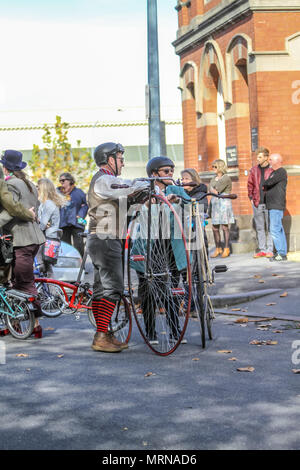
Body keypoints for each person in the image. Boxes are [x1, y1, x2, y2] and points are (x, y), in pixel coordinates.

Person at [87, 142, 149, 353]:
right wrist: (144, 185)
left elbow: (127, 201)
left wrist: (141, 197)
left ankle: (103, 333)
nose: (123, 163)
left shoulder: (107, 182)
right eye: (120, 159)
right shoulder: (105, 179)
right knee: (112, 288)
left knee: (101, 289)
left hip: (102, 239)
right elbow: (126, 188)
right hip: (105, 239)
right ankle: (102, 336)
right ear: (109, 159)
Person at [131, 156, 190, 344]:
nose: (171, 173)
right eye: (166, 171)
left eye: (172, 170)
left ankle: (175, 330)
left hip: (171, 246)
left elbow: (190, 202)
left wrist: (179, 199)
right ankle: (150, 332)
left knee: (172, 288)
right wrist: (156, 202)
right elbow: (135, 211)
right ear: (154, 174)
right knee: (148, 289)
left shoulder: (176, 189)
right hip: (148, 245)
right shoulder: (144, 191)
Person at [0, 150, 45, 337]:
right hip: (34, 238)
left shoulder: (11, 185)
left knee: (23, 284)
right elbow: (36, 207)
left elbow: (12, 210)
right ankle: (17, 323)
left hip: (20, 239)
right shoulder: (30, 184)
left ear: (5, 167)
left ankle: (34, 324)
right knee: (19, 284)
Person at [247, 147, 274, 258]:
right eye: (257, 157)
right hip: (257, 202)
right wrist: (251, 198)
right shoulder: (254, 170)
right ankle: (262, 249)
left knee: (270, 227)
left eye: (260, 157)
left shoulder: (272, 170)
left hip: (270, 203)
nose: (258, 159)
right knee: (259, 227)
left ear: (267, 157)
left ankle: (270, 249)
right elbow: (250, 184)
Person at [37, 178, 66, 276]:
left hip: (47, 238)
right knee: (46, 268)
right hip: (49, 237)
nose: (37, 190)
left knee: (45, 267)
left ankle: (52, 289)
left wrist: (38, 223)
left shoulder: (49, 203)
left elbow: (43, 224)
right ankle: (49, 289)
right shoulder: (46, 203)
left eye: (38, 188)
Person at [263, 153, 288, 262]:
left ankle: (281, 254)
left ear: (277, 161)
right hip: (273, 205)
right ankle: (281, 252)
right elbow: (267, 183)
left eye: (271, 160)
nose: (269, 161)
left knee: (275, 229)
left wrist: (266, 183)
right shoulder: (274, 172)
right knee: (278, 229)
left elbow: (268, 182)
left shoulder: (281, 171)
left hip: (276, 205)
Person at [58, 172, 88, 257]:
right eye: (60, 181)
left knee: (79, 245)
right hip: (63, 223)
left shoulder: (79, 192)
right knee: (65, 246)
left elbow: (86, 204)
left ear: (70, 181)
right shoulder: (58, 192)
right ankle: (68, 265)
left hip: (77, 223)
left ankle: (81, 267)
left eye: (63, 180)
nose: (61, 183)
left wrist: (81, 214)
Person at [209, 159, 234, 258]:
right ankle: (218, 248)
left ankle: (226, 248)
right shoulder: (213, 178)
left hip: (224, 203)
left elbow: (217, 190)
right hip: (215, 203)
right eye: (213, 167)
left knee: (224, 226)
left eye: (215, 167)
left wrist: (213, 189)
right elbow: (211, 190)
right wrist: (213, 189)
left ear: (220, 167)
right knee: (215, 227)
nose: (213, 168)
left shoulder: (226, 178)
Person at [181, 168, 208, 255]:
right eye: (182, 179)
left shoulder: (200, 193)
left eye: (187, 179)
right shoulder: (182, 192)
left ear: (194, 180)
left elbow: (200, 209)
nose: (184, 181)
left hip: (196, 228)